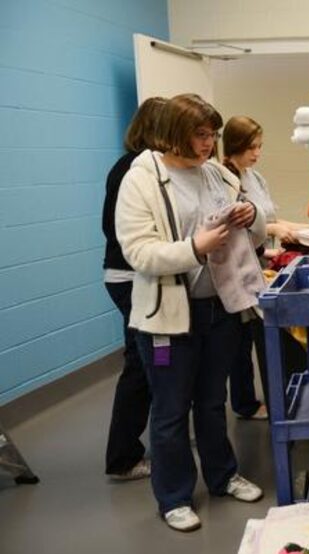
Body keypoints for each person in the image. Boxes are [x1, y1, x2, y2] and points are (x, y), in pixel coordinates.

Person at [115, 94, 266, 531]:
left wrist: (249, 212)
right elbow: (139, 252)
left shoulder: (215, 173)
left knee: (213, 402)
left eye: (212, 135)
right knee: (170, 409)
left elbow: (252, 228)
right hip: (168, 320)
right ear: (174, 133)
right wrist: (194, 249)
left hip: (218, 309)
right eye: (201, 134)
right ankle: (174, 497)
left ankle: (222, 476)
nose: (209, 143)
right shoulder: (140, 179)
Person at [221, 116, 309, 420]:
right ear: (235, 145)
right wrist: (274, 231)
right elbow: (244, 225)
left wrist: (304, 230)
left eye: (259, 146)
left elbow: (270, 217)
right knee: (240, 341)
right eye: (251, 147)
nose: (257, 153)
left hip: (261, 261)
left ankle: (260, 399)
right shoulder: (224, 178)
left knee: (253, 335)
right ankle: (245, 403)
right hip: (238, 268)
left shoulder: (255, 177)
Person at [102, 96, 166, 481]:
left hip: (131, 276)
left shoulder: (139, 166)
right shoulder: (133, 170)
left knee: (151, 362)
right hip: (130, 278)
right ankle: (123, 457)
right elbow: (121, 232)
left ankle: (162, 435)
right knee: (143, 366)